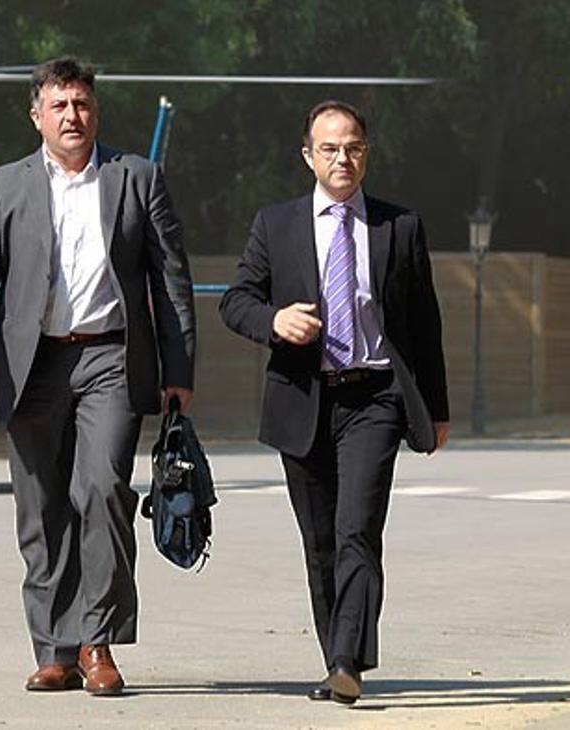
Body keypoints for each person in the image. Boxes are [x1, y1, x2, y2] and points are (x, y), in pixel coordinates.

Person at [0, 56, 196, 697]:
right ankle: (53, 647)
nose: (72, 116)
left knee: (103, 489)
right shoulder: (3, 188)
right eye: (59, 106)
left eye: (81, 104)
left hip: (110, 358)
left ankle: (98, 644)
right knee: (41, 508)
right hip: (28, 364)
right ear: (37, 117)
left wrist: (179, 369)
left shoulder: (137, 179)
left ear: (96, 112)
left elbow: (172, 283)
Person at [219, 100, 450, 705]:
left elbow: (425, 323)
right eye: (329, 148)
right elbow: (235, 299)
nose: (342, 158)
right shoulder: (277, 224)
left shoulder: (399, 226)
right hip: (303, 398)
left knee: (357, 532)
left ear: (366, 153)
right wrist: (275, 320)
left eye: (352, 147)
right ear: (308, 157)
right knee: (320, 542)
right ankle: (337, 658)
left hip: (374, 397)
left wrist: (437, 408)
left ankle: (348, 662)